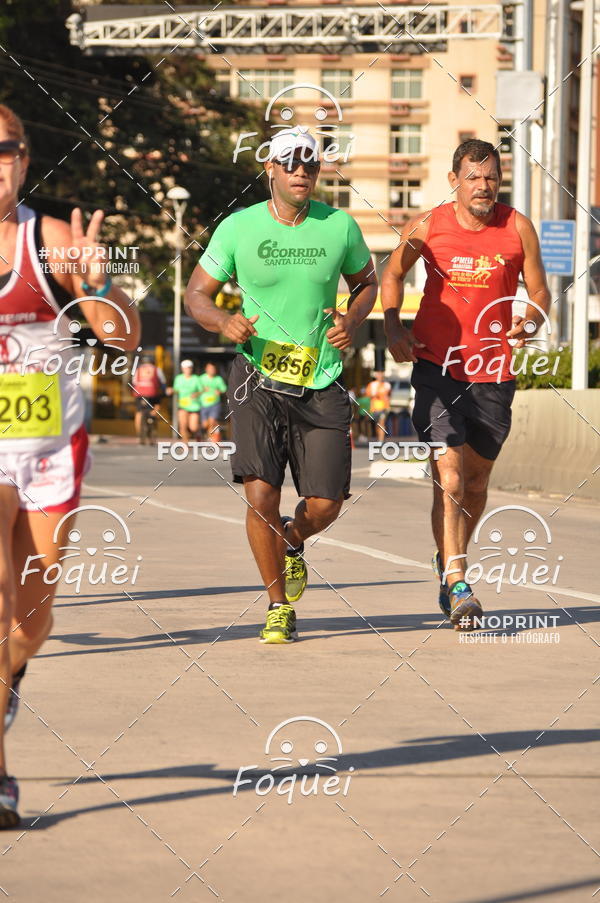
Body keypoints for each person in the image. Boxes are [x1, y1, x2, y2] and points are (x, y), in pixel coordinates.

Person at [0, 104, 140, 825]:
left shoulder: (48, 242)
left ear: (24, 160)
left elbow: (124, 339)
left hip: (51, 450)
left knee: (31, 618)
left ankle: (11, 671)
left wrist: (94, 289)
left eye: (5, 149)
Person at [184, 126, 377, 643]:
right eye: (290, 162)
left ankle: (292, 539)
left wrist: (353, 319)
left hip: (322, 378)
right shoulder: (238, 228)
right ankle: (277, 606)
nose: (301, 171)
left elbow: (366, 284)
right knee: (260, 493)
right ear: (269, 167)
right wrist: (220, 321)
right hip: (256, 377)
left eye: (310, 163)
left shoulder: (339, 227)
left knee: (326, 504)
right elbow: (197, 294)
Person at [382, 138, 550, 630]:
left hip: (494, 372)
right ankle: (458, 581)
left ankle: (447, 557)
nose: (483, 185)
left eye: (491, 176)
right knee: (449, 477)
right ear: (454, 180)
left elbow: (539, 288)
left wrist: (532, 318)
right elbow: (391, 274)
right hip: (437, 366)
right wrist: (393, 326)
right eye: (473, 177)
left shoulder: (517, 226)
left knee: (474, 485)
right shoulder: (430, 224)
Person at [132, 352, 166, 444]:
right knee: (157, 406)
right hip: (152, 394)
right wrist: (164, 392)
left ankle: (139, 435)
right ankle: (153, 424)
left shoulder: (138, 370)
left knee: (139, 412)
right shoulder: (157, 369)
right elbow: (163, 383)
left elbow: (134, 382)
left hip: (140, 394)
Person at [167, 359, 203, 443]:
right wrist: (171, 390)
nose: (187, 370)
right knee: (183, 426)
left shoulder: (196, 378)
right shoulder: (178, 378)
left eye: (189, 368)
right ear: (182, 369)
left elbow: (202, 390)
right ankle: (185, 443)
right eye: (186, 368)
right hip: (183, 405)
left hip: (194, 406)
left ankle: (198, 433)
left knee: (193, 427)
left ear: (192, 369)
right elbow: (176, 389)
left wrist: (196, 394)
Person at [198, 362, 227, 442]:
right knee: (205, 424)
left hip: (215, 404)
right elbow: (196, 390)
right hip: (203, 404)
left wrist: (219, 391)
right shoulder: (201, 378)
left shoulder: (218, 379)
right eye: (210, 368)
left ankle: (210, 438)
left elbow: (224, 389)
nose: (211, 370)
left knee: (212, 422)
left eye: (213, 369)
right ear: (206, 369)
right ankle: (205, 433)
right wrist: (203, 390)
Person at [366, 371, 391, 440]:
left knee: (382, 423)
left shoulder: (387, 385)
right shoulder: (372, 384)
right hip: (375, 408)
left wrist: (388, 406)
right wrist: (375, 394)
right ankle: (379, 438)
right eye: (379, 375)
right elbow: (368, 394)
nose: (380, 377)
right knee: (377, 425)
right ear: (376, 376)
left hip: (384, 408)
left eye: (381, 375)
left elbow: (388, 396)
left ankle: (381, 440)